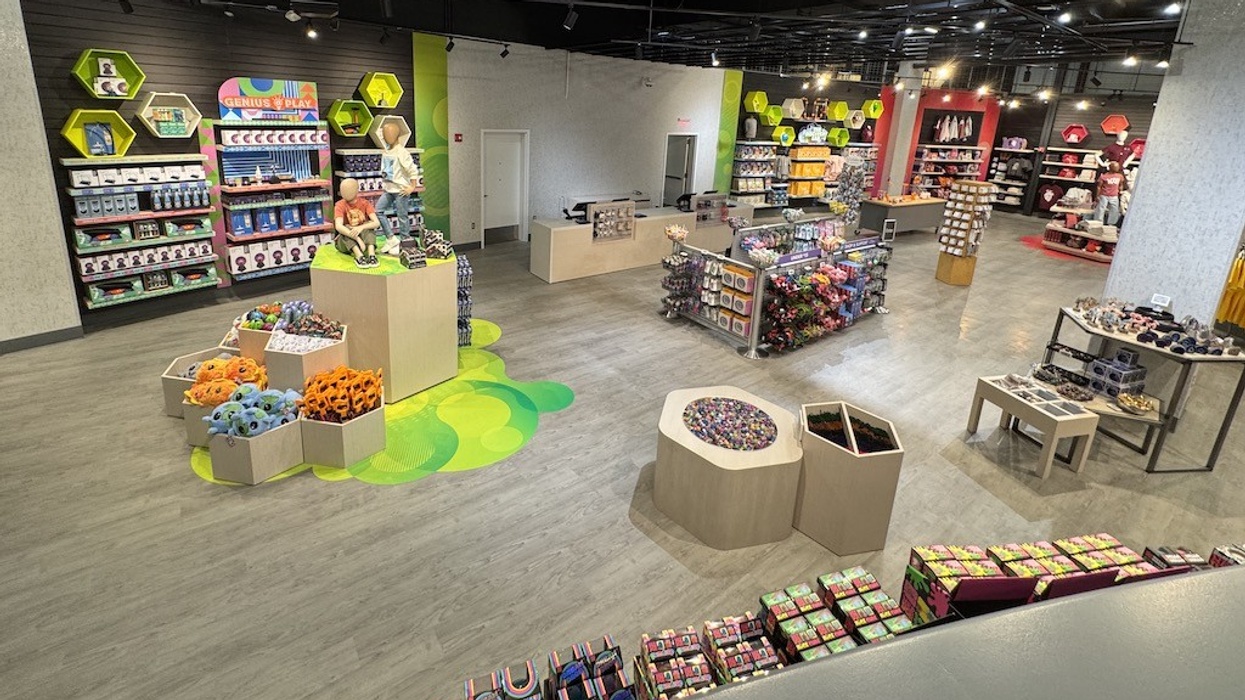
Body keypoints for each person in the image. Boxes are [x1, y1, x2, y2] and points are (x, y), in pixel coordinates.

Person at [376, 121, 423, 246]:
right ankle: (391, 238)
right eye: (385, 134)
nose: (386, 136)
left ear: (396, 135)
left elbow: (412, 169)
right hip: (388, 189)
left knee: (402, 216)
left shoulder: (402, 152)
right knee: (378, 211)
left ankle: (405, 240)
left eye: (389, 133)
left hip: (400, 190)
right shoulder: (386, 151)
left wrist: (412, 186)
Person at [333, 178, 381, 268]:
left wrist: (361, 228)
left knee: (369, 228)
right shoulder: (339, 205)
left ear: (356, 190)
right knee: (345, 230)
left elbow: (376, 223)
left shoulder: (365, 203)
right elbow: (338, 226)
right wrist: (357, 238)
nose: (345, 192)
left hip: (363, 237)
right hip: (346, 242)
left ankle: (372, 255)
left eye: (349, 189)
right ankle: (359, 256)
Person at [1092, 161, 1126, 227]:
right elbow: (1099, 187)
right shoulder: (1104, 176)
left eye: (1118, 167)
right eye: (1116, 167)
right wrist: (1097, 196)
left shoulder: (1120, 176)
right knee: (1101, 209)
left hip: (1114, 195)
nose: (1117, 168)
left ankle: (1112, 223)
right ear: (1111, 167)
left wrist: (1120, 191)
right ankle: (1097, 223)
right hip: (1104, 195)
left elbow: (1121, 184)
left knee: (1114, 210)